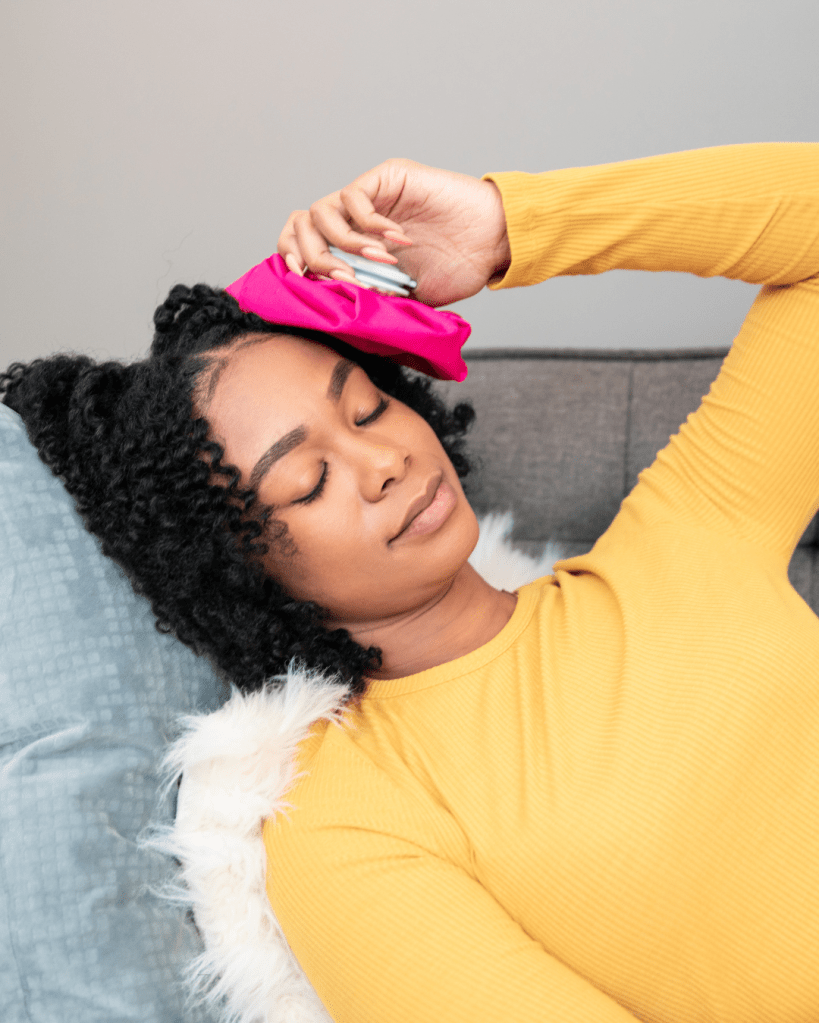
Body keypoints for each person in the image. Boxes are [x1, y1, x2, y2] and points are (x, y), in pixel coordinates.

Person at [4, 141, 819, 1022]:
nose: (382, 458)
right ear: (236, 570)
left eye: (365, 406)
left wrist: (508, 229)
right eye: (307, 479)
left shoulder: (684, 536)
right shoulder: (345, 817)